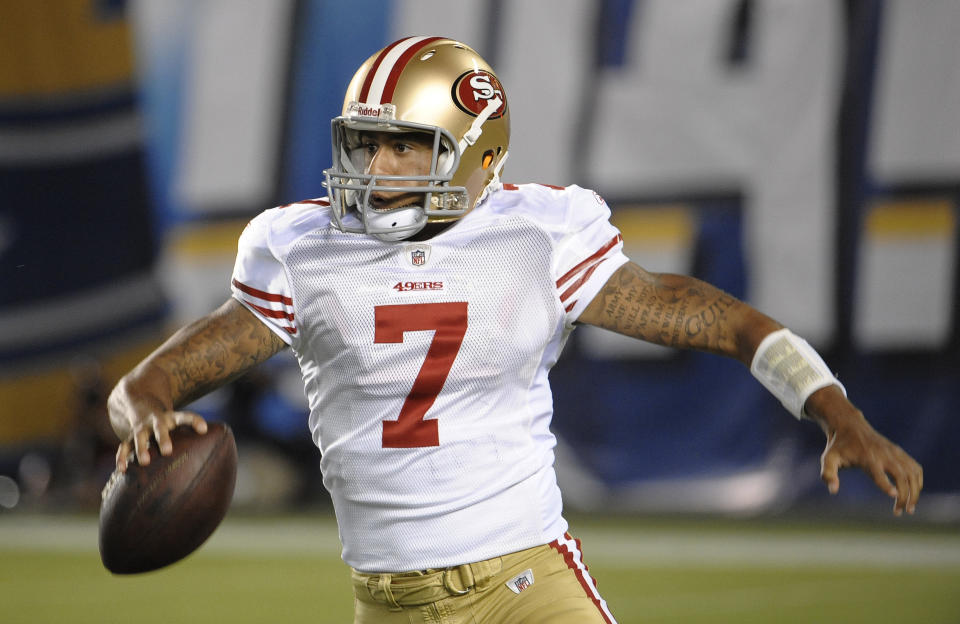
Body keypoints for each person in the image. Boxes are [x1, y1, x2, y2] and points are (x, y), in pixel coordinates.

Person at [107, 36, 923, 624]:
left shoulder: (539, 237)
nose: (376, 169)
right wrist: (145, 420)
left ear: (476, 154)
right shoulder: (302, 251)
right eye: (366, 145)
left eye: (405, 147)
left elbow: (724, 321)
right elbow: (149, 383)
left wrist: (835, 410)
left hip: (522, 586)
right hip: (383, 598)